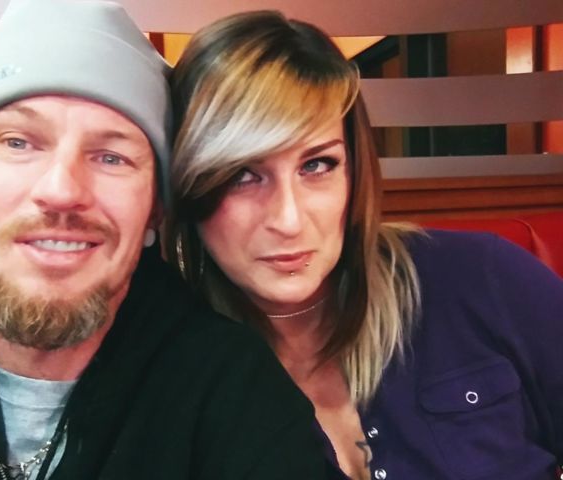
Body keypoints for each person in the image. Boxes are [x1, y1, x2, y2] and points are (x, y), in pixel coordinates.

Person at [0, 2, 330, 479]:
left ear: (156, 208)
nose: (61, 190)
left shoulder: (233, 393)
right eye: (19, 142)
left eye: (111, 157)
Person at [166, 10, 563, 480]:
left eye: (317, 165)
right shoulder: (166, 367)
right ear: (188, 183)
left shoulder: (482, 279)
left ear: (355, 169)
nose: (289, 220)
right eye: (241, 174)